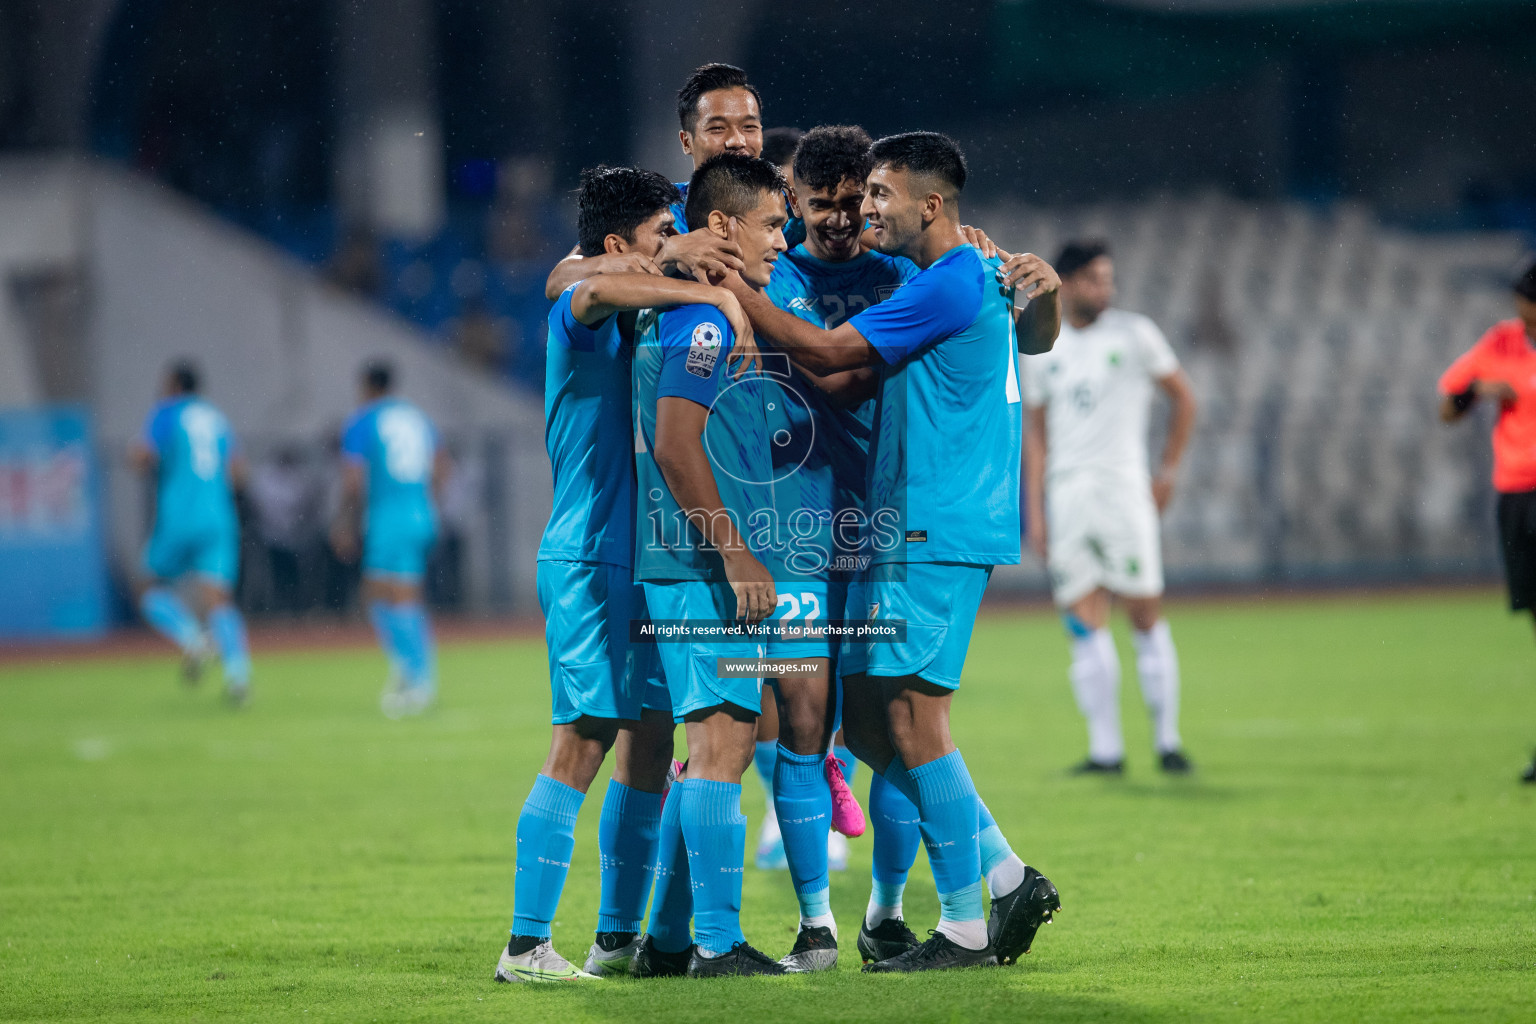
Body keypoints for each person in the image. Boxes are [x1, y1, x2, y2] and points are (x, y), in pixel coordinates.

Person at [724, 131, 1063, 972]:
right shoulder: (967, 271)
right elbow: (1039, 337)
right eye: (857, 195)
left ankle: (975, 909)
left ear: (931, 206)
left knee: (913, 718)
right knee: (874, 723)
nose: (866, 209)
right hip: (912, 524)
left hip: (931, 525)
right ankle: (991, 884)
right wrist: (1044, 294)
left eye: (880, 195)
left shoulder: (947, 280)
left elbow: (837, 357)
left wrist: (738, 287)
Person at [493, 165, 757, 984]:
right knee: (581, 741)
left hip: (634, 560)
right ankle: (525, 945)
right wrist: (714, 295)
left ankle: (615, 937)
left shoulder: (629, 310)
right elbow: (588, 286)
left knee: (646, 740)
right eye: (656, 238)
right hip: (586, 553)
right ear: (618, 246)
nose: (668, 254)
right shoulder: (584, 309)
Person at [754, 123, 930, 971]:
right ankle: (816, 923)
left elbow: (834, 367)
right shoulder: (774, 272)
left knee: (891, 726)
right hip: (790, 522)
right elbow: (823, 374)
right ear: (794, 199)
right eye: (818, 203)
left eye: (849, 201)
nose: (835, 218)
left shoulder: (900, 271)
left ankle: (886, 914)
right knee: (801, 720)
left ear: (871, 195)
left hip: (880, 523)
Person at [630, 152, 790, 978]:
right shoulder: (702, 321)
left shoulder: (704, 309)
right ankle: (717, 947)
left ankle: (665, 940)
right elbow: (673, 441)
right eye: (770, 223)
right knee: (722, 745)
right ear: (721, 224)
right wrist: (735, 555)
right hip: (700, 568)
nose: (782, 238)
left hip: (693, 564)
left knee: (718, 742)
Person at [1022, 240, 1198, 776]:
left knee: (1144, 612)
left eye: (1109, 279)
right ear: (1069, 283)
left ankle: (1167, 742)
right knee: (1082, 619)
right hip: (1069, 492)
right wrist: (1037, 509)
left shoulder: (1135, 333)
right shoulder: (1041, 347)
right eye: (1097, 279)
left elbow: (1184, 398)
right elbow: (1038, 436)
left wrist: (1166, 471)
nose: (1107, 289)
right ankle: (1106, 751)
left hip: (1124, 489)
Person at [542, 62, 763, 303]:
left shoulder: (787, 211)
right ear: (686, 142)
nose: (737, 141)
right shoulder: (661, 210)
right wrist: (655, 258)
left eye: (749, 127)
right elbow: (558, 281)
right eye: (718, 128)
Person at [1437, 256, 1536, 783]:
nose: (1520, 312)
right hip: (1518, 493)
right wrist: (1479, 391)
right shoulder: (1502, 343)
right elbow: (1448, 405)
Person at [130, 360, 253, 705]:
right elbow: (239, 471)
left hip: (180, 515)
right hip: (218, 516)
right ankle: (238, 677)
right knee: (219, 600)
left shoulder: (167, 413)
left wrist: (142, 459)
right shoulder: (215, 418)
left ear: (174, 385)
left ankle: (193, 640)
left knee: (149, 587)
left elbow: (142, 456)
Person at [333, 360, 448, 718]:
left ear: (367, 386)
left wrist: (345, 522)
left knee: (395, 596)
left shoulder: (364, 420)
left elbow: (353, 480)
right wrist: (427, 503)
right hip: (420, 512)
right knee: (386, 592)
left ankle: (418, 678)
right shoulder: (416, 417)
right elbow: (443, 465)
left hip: (389, 517)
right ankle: (409, 671)